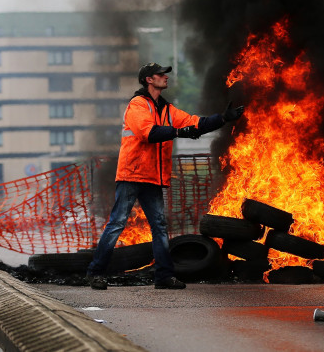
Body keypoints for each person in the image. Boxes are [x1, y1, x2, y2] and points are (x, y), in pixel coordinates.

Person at [86, 63, 244, 290]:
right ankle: (95, 273)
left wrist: (222, 118)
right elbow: (148, 133)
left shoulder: (168, 110)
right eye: (161, 75)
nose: (166, 78)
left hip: (152, 178)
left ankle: (163, 276)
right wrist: (179, 132)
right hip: (132, 175)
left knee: (160, 227)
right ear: (149, 80)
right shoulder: (137, 105)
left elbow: (194, 123)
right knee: (117, 223)